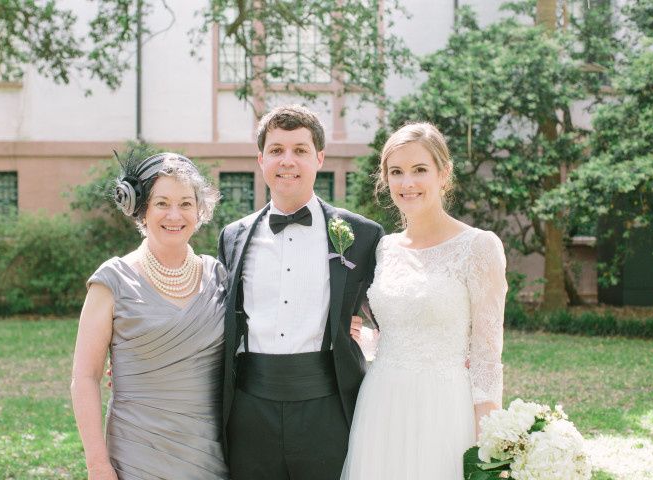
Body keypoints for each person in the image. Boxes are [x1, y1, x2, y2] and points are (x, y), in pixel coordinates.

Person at [217, 104, 384, 480]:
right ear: (261, 159)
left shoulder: (362, 236)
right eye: (276, 150)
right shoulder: (232, 236)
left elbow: (390, 313)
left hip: (327, 405)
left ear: (319, 157)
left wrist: (369, 339)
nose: (287, 160)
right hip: (249, 407)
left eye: (300, 150)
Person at [340, 122, 508, 479]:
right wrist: (370, 339)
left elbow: (487, 358)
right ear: (385, 179)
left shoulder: (478, 247)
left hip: (444, 408)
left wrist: (490, 444)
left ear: (444, 174)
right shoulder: (383, 248)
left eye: (420, 170)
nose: (407, 183)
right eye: (396, 172)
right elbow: (399, 322)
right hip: (382, 404)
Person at [71, 153, 229, 480]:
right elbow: (85, 378)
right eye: (162, 203)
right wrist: (97, 465)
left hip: (208, 455)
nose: (175, 215)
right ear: (141, 208)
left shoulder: (219, 276)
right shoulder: (112, 281)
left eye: (186, 203)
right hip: (136, 454)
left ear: (199, 210)